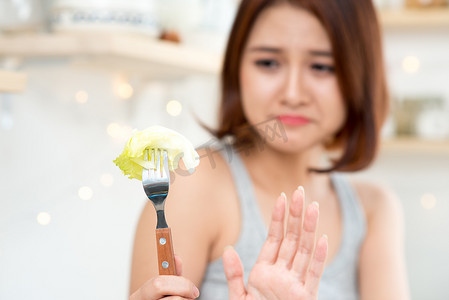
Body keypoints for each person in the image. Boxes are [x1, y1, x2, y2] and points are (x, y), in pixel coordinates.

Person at [129, 0, 410, 299]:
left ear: (360, 78)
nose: (292, 93)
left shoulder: (373, 210)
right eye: (268, 63)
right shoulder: (191, 187)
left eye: (322, 66)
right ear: (237, 68)